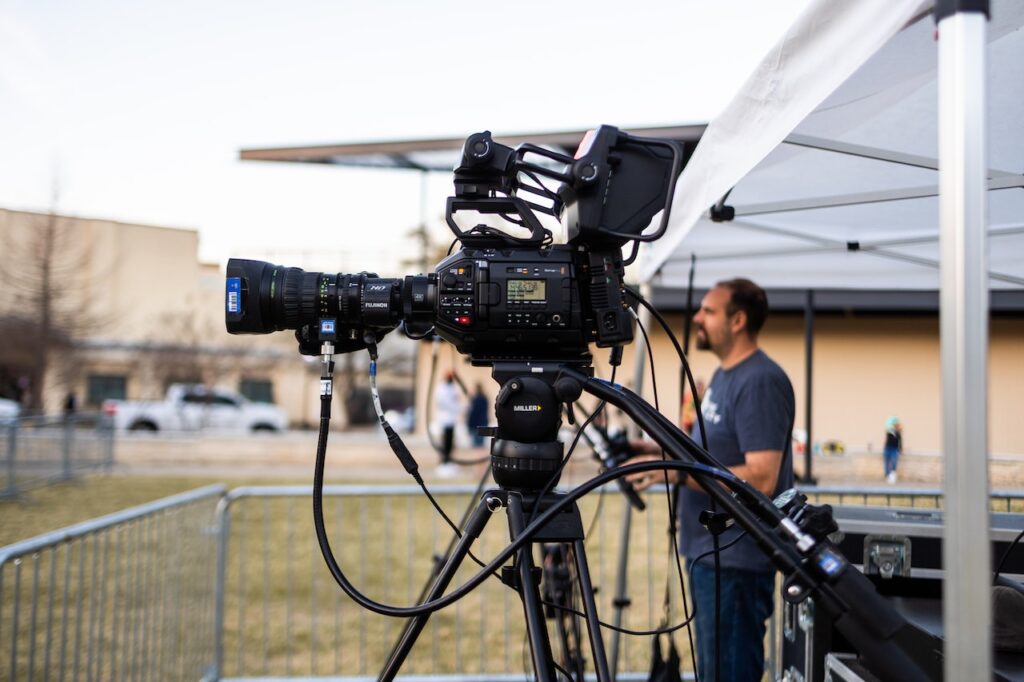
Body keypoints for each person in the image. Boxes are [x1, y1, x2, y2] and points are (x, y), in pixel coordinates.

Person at [627, 278, 795, 682]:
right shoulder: (725, 375)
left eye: (709, 311)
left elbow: (762, 478)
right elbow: (712, 456)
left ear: (738, 320)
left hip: (735, 562)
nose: (697, 318)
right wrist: (652, 451)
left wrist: (677, 473)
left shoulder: (760, 381)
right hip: (711, 555)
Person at [433, 371, 463, 476]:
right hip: (445, 420)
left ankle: (449, 461)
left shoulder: (453, 387)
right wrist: (457, 408)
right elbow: (445, 403)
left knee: (450, 442)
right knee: (445, 443)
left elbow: (457, 399)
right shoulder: (441, 388)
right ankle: (444, 462)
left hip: (451, 419)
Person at [466, 384, 489, 448]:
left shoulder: (476, 399)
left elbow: (473, 412)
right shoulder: (484, 398)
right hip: (483, 423)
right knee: (480, 445)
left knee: (477, 446)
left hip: (476, 424)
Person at [883, 416, 902, 484]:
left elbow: (900, 442)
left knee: (894, 461)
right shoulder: (889, 432)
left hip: (894, 449)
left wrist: (900, 450)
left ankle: (892, 473)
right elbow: (887, 439)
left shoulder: (898, 433)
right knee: (887, 462)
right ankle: (887, 475)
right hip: (888, 448)